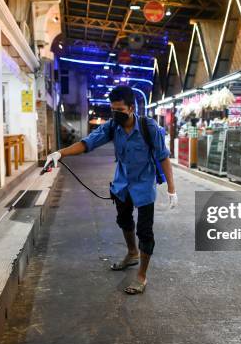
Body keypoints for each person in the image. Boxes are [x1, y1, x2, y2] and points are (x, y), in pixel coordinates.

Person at [43, 86, 177, 295]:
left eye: (120, 109)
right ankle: (132, 253)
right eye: (112, 109)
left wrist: (171, 188)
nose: (115, 114)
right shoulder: (113, 126)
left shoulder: (149, 127)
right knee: (124, 221)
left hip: (144, 186)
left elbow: (163, 157)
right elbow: (88, 143)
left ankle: (141, 276)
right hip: (122, 184)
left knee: (145, 231)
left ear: (131, 108)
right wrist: (60, 153)